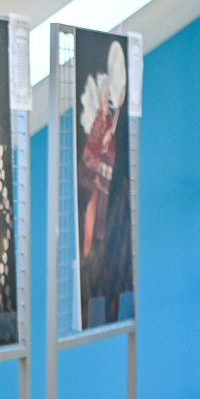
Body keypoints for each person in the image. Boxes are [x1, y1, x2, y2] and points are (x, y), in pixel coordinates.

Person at [79, 41, 126, 257]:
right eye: (104, 98)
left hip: (103, 170)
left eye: (108, 98)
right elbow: (92, 149)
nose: (107, 102)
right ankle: (87, 250)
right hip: (93, 172)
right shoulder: (99, 119)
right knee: (93, 203)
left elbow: (109, 143)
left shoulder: (107, 120)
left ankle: (94, 248)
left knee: (102, 207)